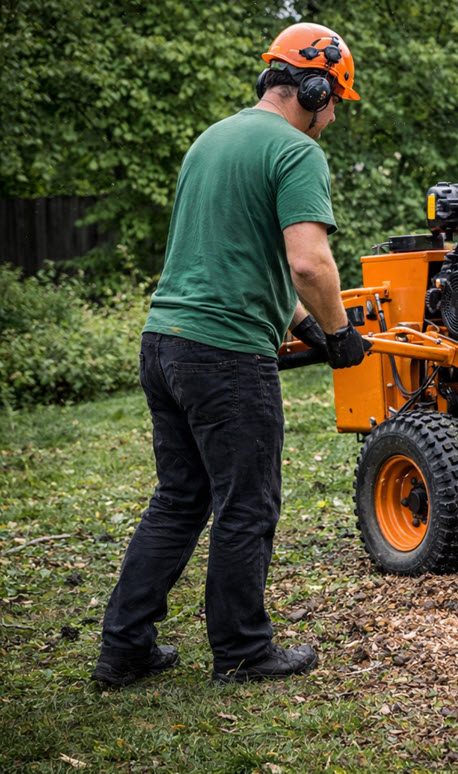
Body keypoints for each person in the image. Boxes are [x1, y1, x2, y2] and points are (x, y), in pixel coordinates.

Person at [92, 22, 366, 687]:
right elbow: (308, 262)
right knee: (247, 504)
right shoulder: (297, 152)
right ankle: (243, 652)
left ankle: (125, 648)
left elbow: (242, 261)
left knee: (181, 499)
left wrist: (304, 328)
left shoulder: (210, 141)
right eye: (332, 103)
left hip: (164, 342)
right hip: (224, 356)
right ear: (312, 85)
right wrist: (341, 332)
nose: (330, 118)